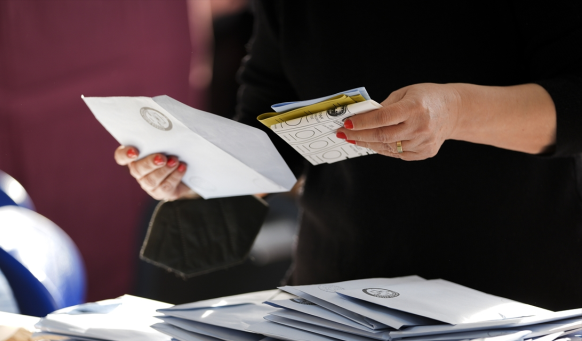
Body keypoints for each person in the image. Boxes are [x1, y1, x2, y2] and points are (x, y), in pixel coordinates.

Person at [115, 1, 582, 311]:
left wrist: (456, 113)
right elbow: (272, 126)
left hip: (515, 301)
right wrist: (206, 177)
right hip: (339, 300)